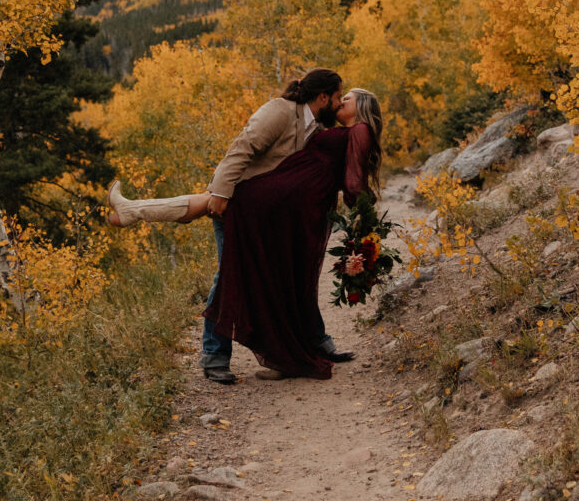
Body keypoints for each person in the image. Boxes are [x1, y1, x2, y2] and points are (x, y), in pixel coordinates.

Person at [107, 84, 382, 381]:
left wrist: (362, 216)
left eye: (348, 98)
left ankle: (132, 211)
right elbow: (242, 147)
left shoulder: (352, 130)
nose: (341, 102)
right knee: (226, 255)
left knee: (290, 275)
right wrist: (222, 192)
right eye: (340, 96)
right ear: (321, 96)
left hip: (284, 206)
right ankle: (217, 355)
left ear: (363, 105)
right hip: (265, 198)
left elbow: (352, 181)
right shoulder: (286, 112)